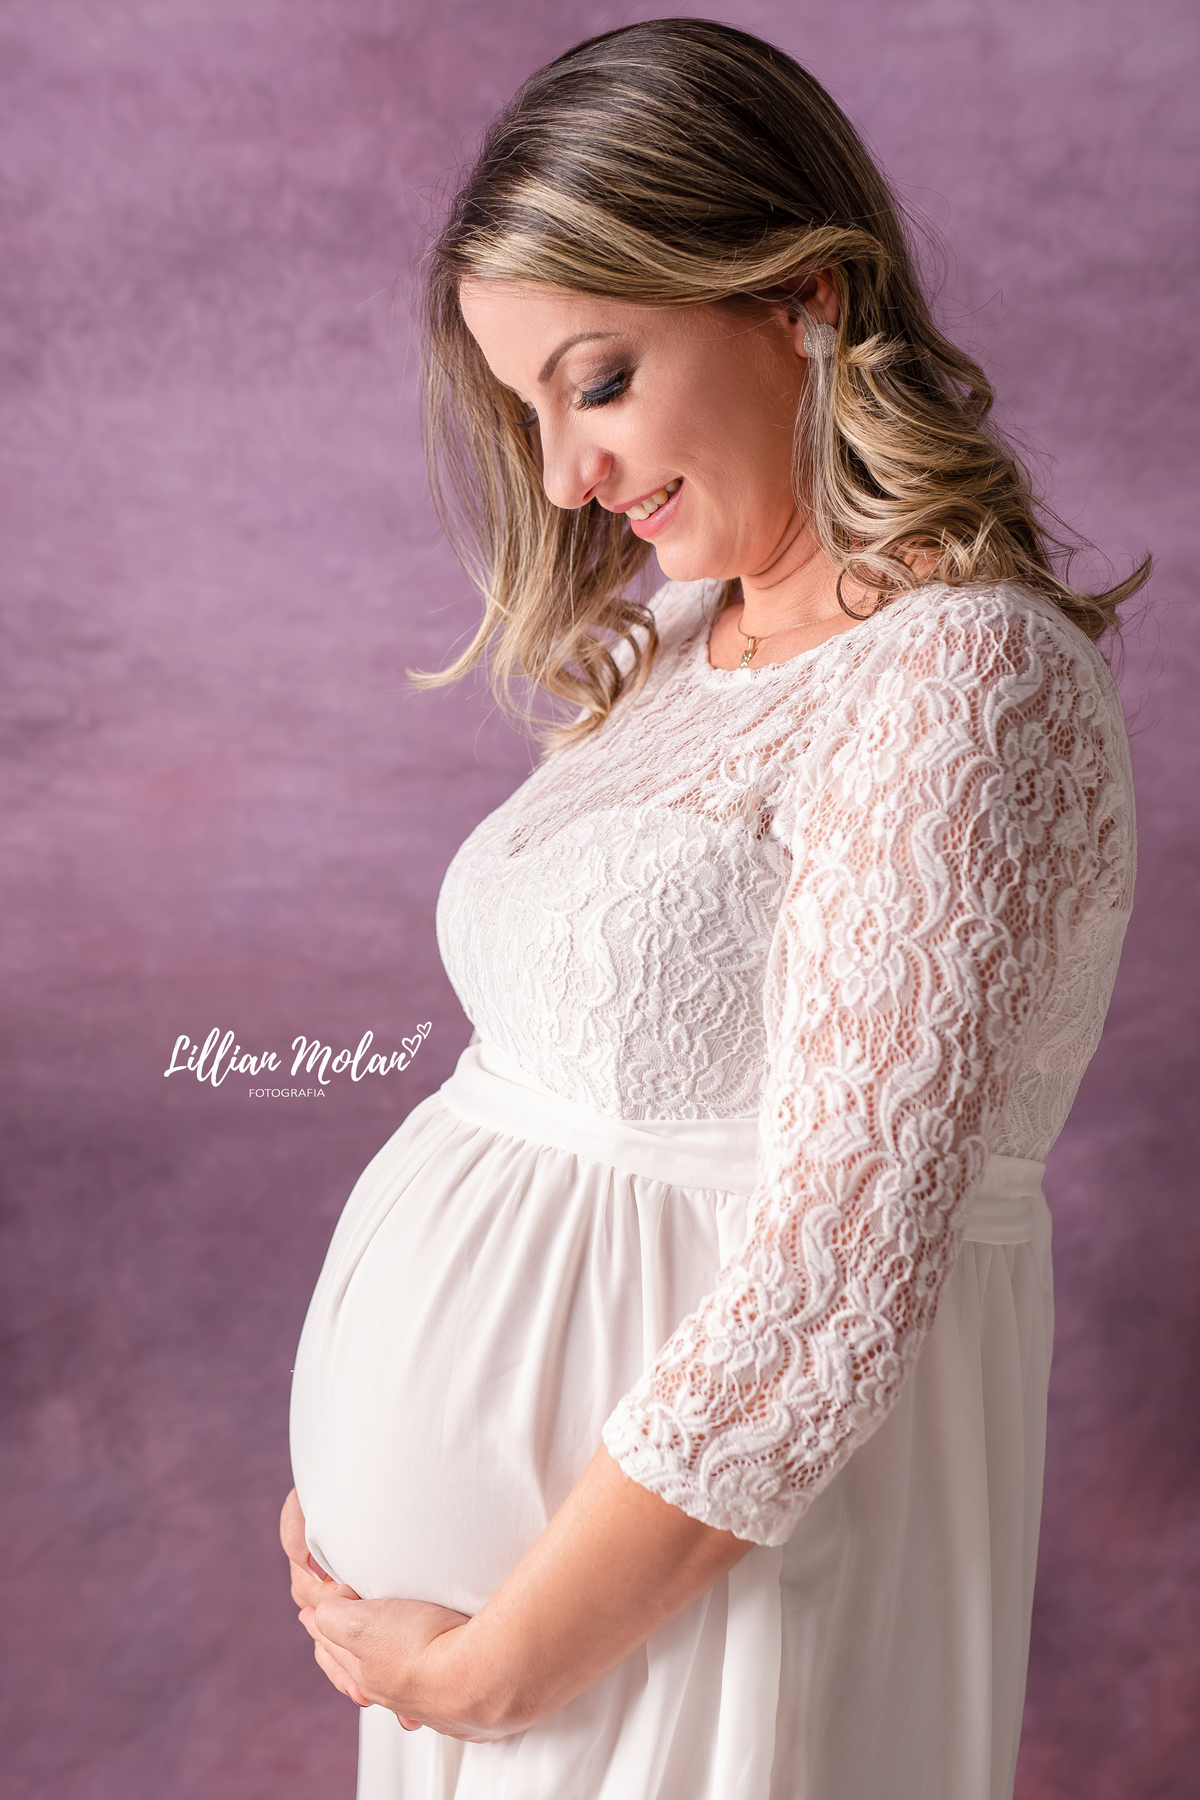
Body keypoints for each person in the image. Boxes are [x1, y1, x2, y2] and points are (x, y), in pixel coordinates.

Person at [280, 20, 1146, 1800]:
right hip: (504, 1645)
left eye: (597, 382)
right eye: (527, 409)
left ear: (805, 296)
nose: (561, 475)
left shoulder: (960, 680)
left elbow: (830, 1291)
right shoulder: (687, 635)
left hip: (685, 1627)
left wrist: (496, 1668)